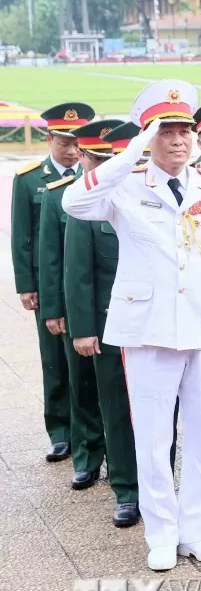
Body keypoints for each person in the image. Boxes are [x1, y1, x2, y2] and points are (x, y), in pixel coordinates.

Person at [62, 80, 201, 571]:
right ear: (148, 136)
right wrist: (130, 153)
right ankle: (162, 533)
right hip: (146, 327)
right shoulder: (123, 185)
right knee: (152, 435)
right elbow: (73, 205)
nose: (179, 140)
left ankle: (198, 529)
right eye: (166, 131)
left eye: (185, 129)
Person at [63, 121, 142, 526]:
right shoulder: (90, 202)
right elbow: (78, 272)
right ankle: (128, 490)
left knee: (157, 414)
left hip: (155, 327)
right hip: (111, 327)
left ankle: (156, 484)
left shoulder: (152, 195)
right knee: (116, 410)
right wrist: (82, 328)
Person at [39, 117, 115, 492]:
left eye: (109, 161)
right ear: (84, 157)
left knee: (118, 394)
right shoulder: (59, 196)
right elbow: (52, 258)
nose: (102, 169)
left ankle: (120, 460)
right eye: (96, 161)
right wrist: (53, 309)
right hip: (77, 308)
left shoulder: (128, 193)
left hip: (118, 308)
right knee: (82, 385)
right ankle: (87, 457)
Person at [11, 103, 87, 463]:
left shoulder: (93, 174)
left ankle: (89, 430)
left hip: (86, 284)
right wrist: (27, 284)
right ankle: (60, 431)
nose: (72, 151)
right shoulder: (29, 178)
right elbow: (22, 235)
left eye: (77, 143)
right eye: (64, 142)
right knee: (54, 359)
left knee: (86, 362)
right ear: (49, 139)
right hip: (49, 284)